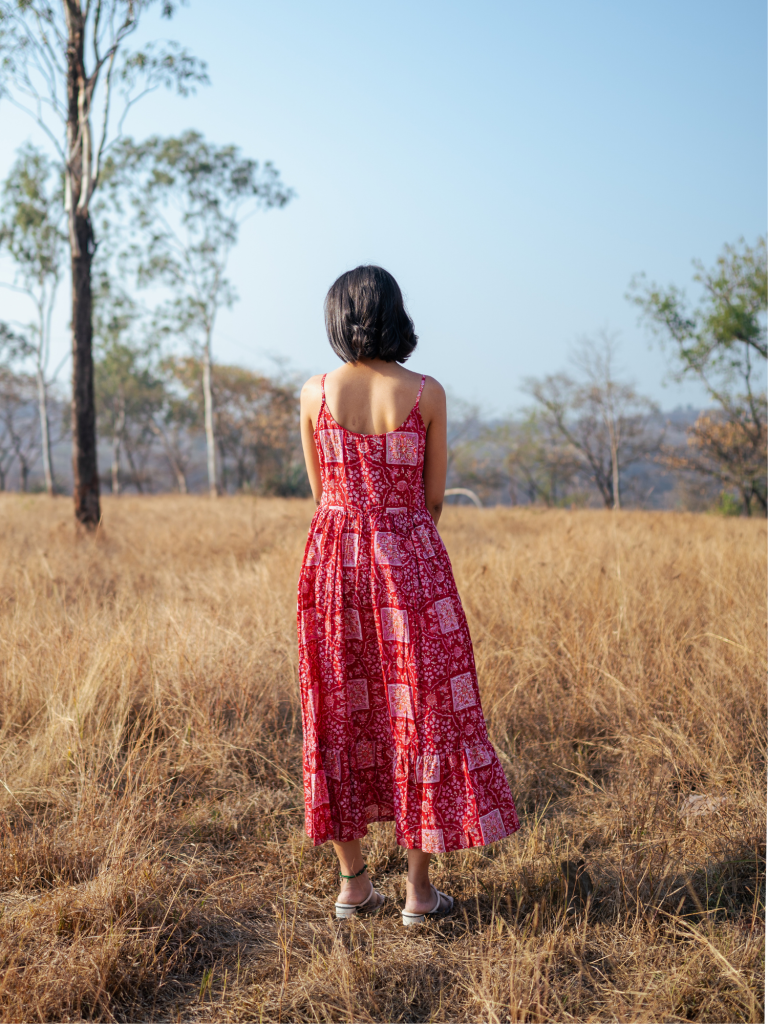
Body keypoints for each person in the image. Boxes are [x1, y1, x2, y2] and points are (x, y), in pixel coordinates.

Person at [297, 265, 519, 926]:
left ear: (337, 320)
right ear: (396, 316)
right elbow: (434, 499)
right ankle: (419, 895)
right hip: (412, 564)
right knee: (421, 715)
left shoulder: (313, 394)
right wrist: (398, 533)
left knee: (336, 710)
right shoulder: (427, 394)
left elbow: (320, 497)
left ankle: (354, 885)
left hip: (334, 564)